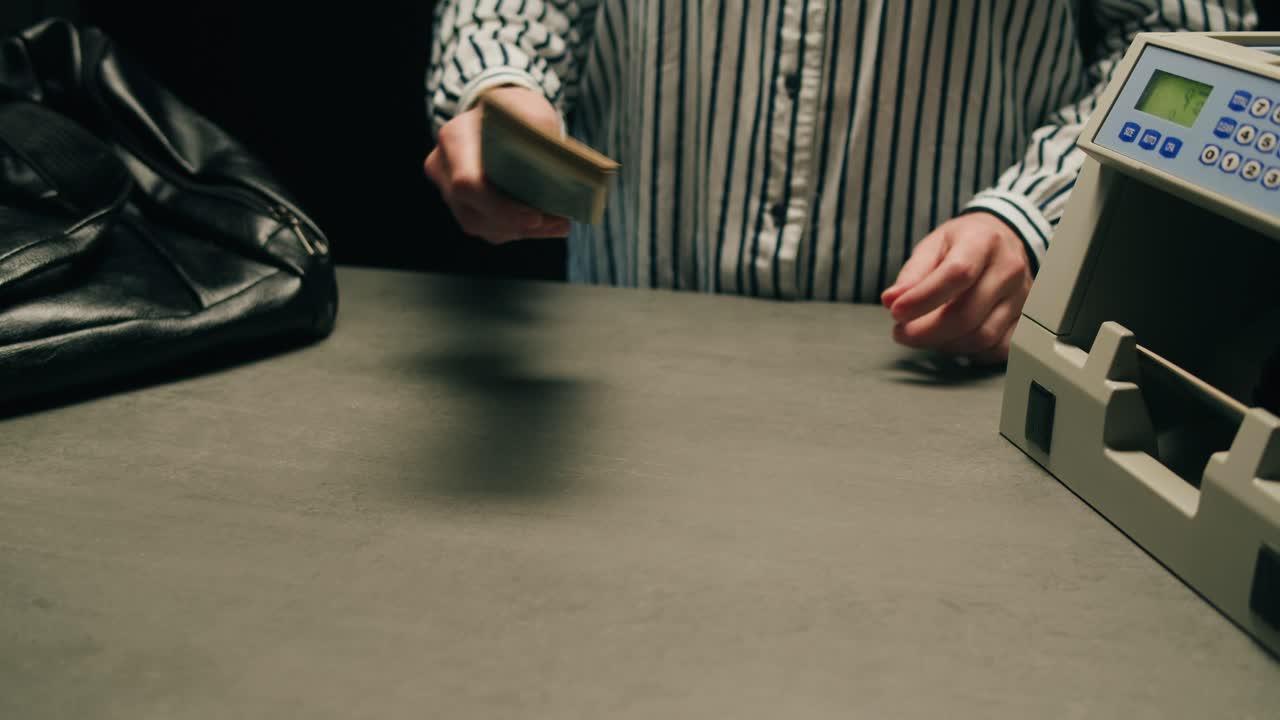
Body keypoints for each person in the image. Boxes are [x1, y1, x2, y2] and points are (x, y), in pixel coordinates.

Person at [425, 1, 1257, 362]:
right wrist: (506, 87)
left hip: (942, 381)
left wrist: (1036, 217)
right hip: (613, 370)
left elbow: (1184, 41)